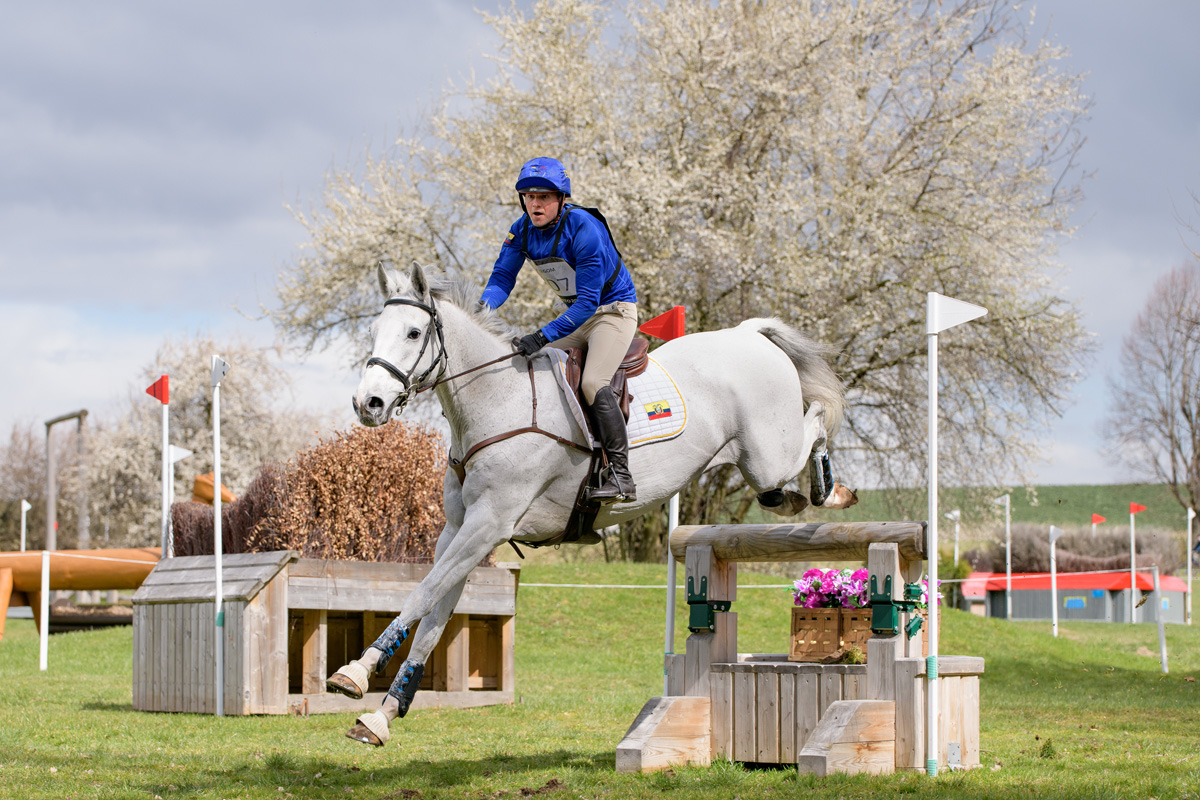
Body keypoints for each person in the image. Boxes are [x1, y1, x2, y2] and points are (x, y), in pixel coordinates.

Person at [480, 156, 638, 503]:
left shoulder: (584, 228)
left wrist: (542, 336)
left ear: (561, 199)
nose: (535, 204)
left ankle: (621, 475)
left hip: (612, 312)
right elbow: (502, 278)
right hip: (577, 316)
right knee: (521, 361)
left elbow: (587, 302)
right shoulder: (520, 229)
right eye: (529, 197)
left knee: (593, 382)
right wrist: (480, 309)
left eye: (544, 197)